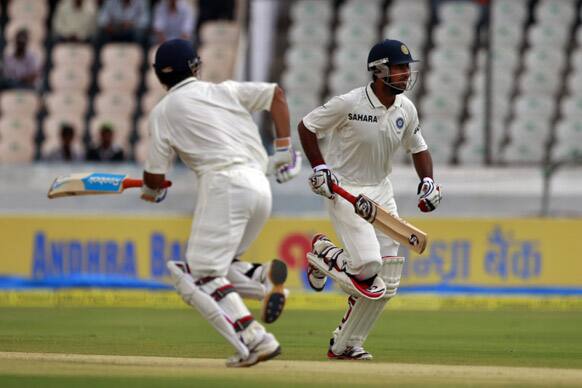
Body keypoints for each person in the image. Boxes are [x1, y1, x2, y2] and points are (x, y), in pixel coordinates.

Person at [140, 39, 302, 367]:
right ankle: (261, 277)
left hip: (224, 186)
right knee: (220, 265)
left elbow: (155, 179)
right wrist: (283, 148)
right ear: (196, 67)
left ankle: (257, 339)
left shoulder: (162, 113)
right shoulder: (224, 90)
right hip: (260, 187)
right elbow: (276, 95)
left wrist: (152, 191)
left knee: (200, 273)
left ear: (159, 77)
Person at [298, 39, 443, 360]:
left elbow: (418, 148)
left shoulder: (406, 108)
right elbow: (307, 127)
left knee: (386, 283)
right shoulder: (349, 103)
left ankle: (345, 344)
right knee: (367, 267)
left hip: (381, 190)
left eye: (407, 68)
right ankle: (322, 253)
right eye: (399, 67)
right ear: (379, 71)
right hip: (344, 189)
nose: (406, 74)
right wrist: (320, 168)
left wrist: (428, 180)